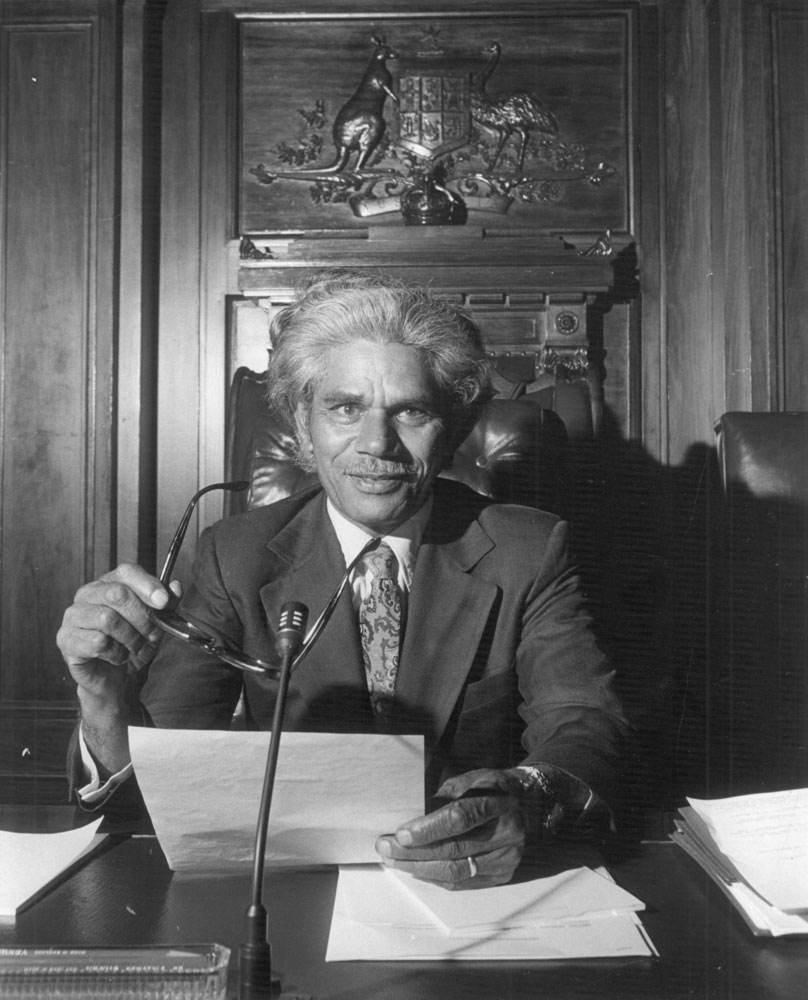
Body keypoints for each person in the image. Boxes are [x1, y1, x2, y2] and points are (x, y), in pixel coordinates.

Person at [57, 270, 629, 890]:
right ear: (305, 427)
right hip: (289, 888)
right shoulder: (236, 555)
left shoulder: (528, 548)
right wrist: (105, 700)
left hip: (470, 888)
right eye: (345, 407)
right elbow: (155, 785)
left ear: (454, 428)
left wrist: (526, 797)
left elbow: (584, 724)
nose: (377, 443)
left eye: (410, 411)